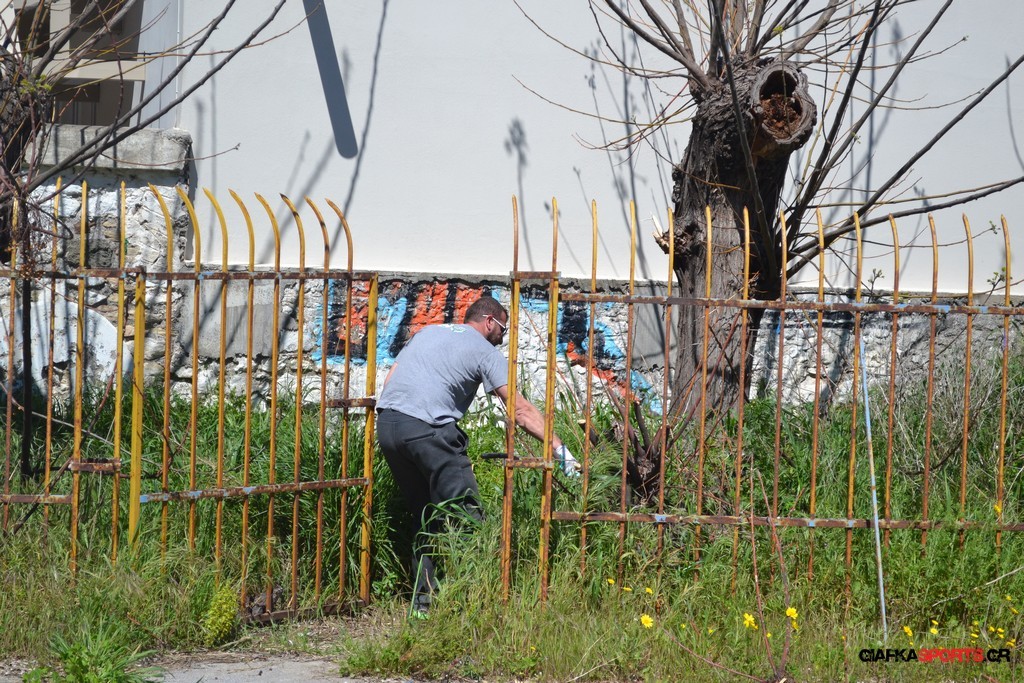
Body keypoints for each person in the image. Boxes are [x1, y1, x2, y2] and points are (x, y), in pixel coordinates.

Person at [375, 294, 577, 616]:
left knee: (425, 513)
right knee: (466, 513)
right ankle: (473, 600)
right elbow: (519, 410)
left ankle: (422, 606)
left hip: (388, 426)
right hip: (428, 429)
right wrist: (560, 449)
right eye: (503, 330)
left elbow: (390, 380)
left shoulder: (427, 332)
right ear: (489, 322)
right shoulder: (484, 350)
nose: (502, 338)